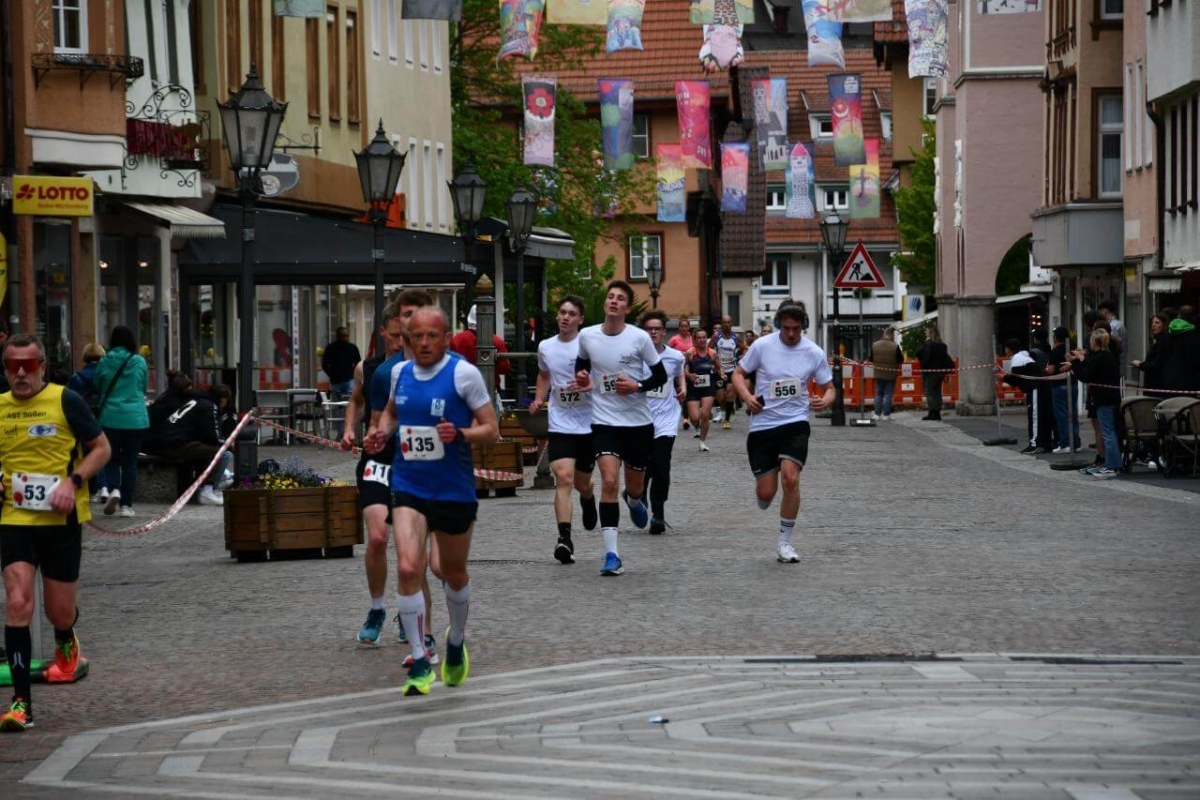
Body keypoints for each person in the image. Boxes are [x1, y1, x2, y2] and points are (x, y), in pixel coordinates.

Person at [364, 307, 499, 697]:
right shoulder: (400, 374)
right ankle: (421, 659)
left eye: (431, 337)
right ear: (406, 339)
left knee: (453, 573)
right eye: (415, 337)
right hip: (409, 485)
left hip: (454, 489)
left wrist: (460, 434)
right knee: (408, 566)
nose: (423, 344)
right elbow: (391, 413)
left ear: (445, 338)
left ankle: (456, 639)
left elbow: (491, 429)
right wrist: (379, 433)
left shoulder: (463, 374)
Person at [0, 333, 112, 732]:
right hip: (15, 519)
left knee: (57, 612)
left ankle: (66, 635)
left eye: (29, 365)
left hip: (61, 521)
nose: (20, 373)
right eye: (12, 366)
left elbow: (102, 447)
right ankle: (20, 705)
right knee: (17, 603)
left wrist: (74, 481)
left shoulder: (66, 400)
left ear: (43, 367)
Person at [342, 290, 442, 663]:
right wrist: (363, 433)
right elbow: (375, 416)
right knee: (378, 537)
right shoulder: (381, 372)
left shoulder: (448, 370)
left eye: (417, 315)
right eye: (404, 316)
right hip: (379, 463)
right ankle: (377, 608)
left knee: (417, 559)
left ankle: (420, 624)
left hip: (418, 468)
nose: (409, 323)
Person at [568, 280, 669, 576]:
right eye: (610, 297)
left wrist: (637, 386)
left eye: (620, 298)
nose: (613, 301)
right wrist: (583, 376)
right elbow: (581, 364)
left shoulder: (639, 338)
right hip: (604, 422)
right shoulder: (587, 335)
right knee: (609, 482)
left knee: (633, 486)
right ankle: (612, 554)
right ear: (605, 304)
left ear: (626, 307)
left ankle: (634, 498)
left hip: (638, 424)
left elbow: (660, 376)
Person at [730, 303, 835, 563]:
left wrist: (826, 401)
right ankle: (764, 492)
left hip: (795, 423)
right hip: (764, 424)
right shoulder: (763, 346)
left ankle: (785, 543)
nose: (791, 334)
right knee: (766, 493)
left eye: (796, 329)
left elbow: (829, 387)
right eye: (786, 328)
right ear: (779, 325)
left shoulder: (813, 352)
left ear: (803, 327)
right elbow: (738, 374)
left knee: (790, 478)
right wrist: (746, 396)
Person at [529, 295, 598, 564]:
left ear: (580, 320)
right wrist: (538, 399)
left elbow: (605, 375)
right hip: (560, 423)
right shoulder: (546, 347)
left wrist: (589, 385)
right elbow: (545, 375)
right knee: (564, 478)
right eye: (562, 312)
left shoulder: (590, 345)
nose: (565, 317)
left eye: (571, 314)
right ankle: (564, 539)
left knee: (581, 482)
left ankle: (589, 495)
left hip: (589, 423)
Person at [143, 373, 232, 506]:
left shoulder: (195, 401)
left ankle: (200, 490)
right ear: (222, 399)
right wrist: (227, 443)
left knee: (205, 451)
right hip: (174, 444)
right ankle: (207, 491)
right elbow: (213, 436)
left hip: (165, 441)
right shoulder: (210, 406)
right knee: (220, 453)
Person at [93, 325, 149, 518]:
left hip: (110, 417)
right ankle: (126, 505)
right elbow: (143, 387)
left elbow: (97, 385)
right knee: (130, 462)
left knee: (110, 457)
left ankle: (114, 489)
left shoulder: (104, 361)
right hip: (136, 418)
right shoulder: (139, 361)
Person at [639, 309, 687, 535]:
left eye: (657, 329)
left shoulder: (675, 356)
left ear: (664, 332)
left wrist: (683, 388)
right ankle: (636, 495)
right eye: (649, 329)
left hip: (666, 418)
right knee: (643, 467)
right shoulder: (635, 357)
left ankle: (658, 514)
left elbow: (679, 373)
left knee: (661, 465)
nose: (653, 332)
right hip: (640, 420)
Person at [1067, 328, 1121, 478]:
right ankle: (1112, 463)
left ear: (1094, 342)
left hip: (1104, 398)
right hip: (1109, 397)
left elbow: (1086, 375)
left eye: (1091, 340)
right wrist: (1082, 360)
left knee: (1107, 432)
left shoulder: (1100, 357)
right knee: (1108, 431)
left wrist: (1076, 362)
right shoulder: (1107, 356)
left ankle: (1112, 466)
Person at [68, 343, 109, 502]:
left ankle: (97, 488)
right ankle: (104, 486)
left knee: (88, 452)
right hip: (105, 415)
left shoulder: (77, 377)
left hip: (85, 417)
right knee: (101, 449)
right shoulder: (107, 375)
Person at [449, 304, 511, 390]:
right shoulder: (497, 341)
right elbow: (504, 368)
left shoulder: (457, 340)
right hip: (490, 388)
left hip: (463, 388)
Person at [685, 327, 723, 452]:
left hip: (708, 386)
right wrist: (688, 375)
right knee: (695, 418)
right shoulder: (690, 353)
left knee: (705, 415)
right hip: (693, 388)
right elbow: (683, 369)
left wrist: (722, 374)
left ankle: (702, 441)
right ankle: (697, 426)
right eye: (699, 338)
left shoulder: (712, 353)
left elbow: (718, 367)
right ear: (694, 340)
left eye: (704, 337)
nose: (702, 340)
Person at [321, 326, 361, 438]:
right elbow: (324, 364)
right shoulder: (331, 348)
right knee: (339, 408)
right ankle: (341, 432)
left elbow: (358, 363)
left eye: (346, 336)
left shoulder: (352, 348)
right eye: (343, 336)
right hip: (338, 381)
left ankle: (348, 431)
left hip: (348, 380)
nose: (345, 338)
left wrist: (353, 375)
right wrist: (332, 374)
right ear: (338, 336)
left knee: (349, 405)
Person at [1048, 326, 1082, 453]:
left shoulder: (1055, 352)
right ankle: (1076, 443)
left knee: (1062, 416)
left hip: (1058, 386)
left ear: (1056, 337)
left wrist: (1046, 371)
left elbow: (1051, 370)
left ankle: (1065, 443)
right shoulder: (1073, 350)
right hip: (1073, 385)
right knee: (1073, 414)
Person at [914, 324, 953, 421]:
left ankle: (932, 413)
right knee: (937, 392)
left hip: (930, 372)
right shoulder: (942, 345)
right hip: (940, 372)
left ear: (930, 333)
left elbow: (918, 353)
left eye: (926, 331)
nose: (925, 332)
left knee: (929, 392)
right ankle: (937, 413)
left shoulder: (928, 344)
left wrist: (926, 342)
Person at [712, 316, 744, 427]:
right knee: (720, 397)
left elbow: (744, 348)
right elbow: (708, 349)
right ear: (721, 324)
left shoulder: (736, 337)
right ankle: (727, 407)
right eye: (724, 322)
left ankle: (726, 420)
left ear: (731, 324)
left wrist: (740, 356)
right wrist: (713, 361)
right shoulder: (716, 336)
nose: (726, 324)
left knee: (730, 393)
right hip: (719, 370)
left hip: (732, 370)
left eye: (728, 322)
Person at [870, 326, 903, 421]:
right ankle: (886, 415)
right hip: (891, 373)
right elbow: (901, 360)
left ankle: (877, 414)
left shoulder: (875, 345)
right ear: (892, 335)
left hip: (878, 372)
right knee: (888, 394)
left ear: (884, 334)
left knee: (879, 393)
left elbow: (871, 359)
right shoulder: (895, 346)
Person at [667, 317, 693, 430]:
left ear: (689, 327)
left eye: (686, 326)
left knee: (686, 393)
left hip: (689, 368)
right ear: (679, 328)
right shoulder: (674, 339)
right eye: (682, 326)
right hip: (676, 370)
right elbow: (666, 352)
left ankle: (685, 418)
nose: (684, 328)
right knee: (676, 394)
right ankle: (672, 416)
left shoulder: (692, 339)